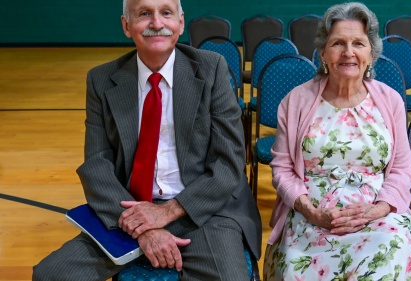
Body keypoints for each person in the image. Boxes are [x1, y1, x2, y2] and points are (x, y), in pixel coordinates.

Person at [32, 0, 261, 280]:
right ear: (126, 25)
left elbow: (228, 163)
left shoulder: (211, 69)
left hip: (202, 210)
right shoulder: (102, 80)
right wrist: (146, 226)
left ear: (180, 22)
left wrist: (167, 213)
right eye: (143, 14)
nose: (156, 23)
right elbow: (96, 164)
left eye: (166, 12)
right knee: (51, 274)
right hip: (131, 211)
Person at [263, 2, 411, 280]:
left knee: (392, 256)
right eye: (338, 43)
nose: (348, 52)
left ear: (371, 53)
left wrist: (377, 210)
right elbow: (282, 170)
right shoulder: (295, 101)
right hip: (311, 218)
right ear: (323, 53)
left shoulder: (390, 100)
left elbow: (402, 170)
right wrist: (311, 212)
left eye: (358, 43)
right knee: (298, 271)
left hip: (378, 217)